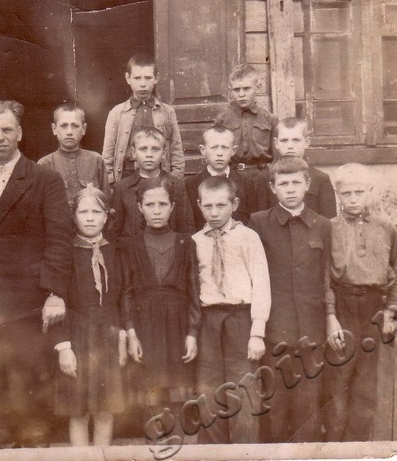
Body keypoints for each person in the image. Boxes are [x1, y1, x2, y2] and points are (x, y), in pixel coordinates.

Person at [0, 100, 73, 448]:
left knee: (29, 385)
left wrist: (55, 293)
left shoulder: (44, 179)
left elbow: (59, 239)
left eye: (7, 130)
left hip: (28, 303)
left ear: (20, 133)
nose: (0, 137)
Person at [248, 157, 331, 443]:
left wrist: (327, 320)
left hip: (312, 329)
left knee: (308, 404)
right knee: (276, 404)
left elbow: (327, 276)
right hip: (275, 328)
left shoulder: (322, 225)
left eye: (297, 182)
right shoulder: (259, 222)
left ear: (308, 184)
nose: (291, 189)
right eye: (283, 184)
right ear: (273, 188)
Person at [324, 163, 397, 441]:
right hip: (342, 305)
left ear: (370, 191)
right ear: (338, 194)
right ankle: (334, 448)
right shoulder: (329, 228)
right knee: (338, 379)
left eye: (359, 192)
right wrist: (330, 316)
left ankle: (356, 447)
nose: (353, 199)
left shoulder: (385, 228)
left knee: (366, 383)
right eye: (346, 193)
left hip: (373, 307)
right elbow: (324, 276)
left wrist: (390, 310)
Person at [191, 176, 270, 443]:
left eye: (221, 205)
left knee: (243, 391)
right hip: (208, 321)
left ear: (234, 204)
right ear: (199, 205)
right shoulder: (195, 241)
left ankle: (246, 453)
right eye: (208, 206)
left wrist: (257, 332)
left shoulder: (248, 237)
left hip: (241, 319)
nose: (214, 212)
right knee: (209, 392)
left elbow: (261, 283)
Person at [119, 177, 201, 432]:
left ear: (172, 207)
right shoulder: (129, 244)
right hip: (145, 325)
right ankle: (154, 445)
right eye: (150, 204)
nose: (156, 210)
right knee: (151, 393)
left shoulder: (186, 242)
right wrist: (132, 333)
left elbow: (194, 291)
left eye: (163, 204)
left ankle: (176, 444)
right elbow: (126, 293)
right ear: (139, 207)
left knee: (178, 393)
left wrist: (192, 333)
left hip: (178, 325)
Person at [52, 187, 125, 446]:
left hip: (108, 337)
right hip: (77, 338)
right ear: (74, 216)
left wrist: (123, 336)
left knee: (105, 411)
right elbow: (56, 302)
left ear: (106, 217)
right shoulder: (64, 253)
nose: (90, 217)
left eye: (97, 212)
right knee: (78, 411)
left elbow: (123, 297)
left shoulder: (116, 250)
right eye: (83, 212)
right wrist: (64, 347)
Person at [102, 53, 184, 185]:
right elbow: (107, 153)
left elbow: (176, 149)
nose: (143, 84)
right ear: (128, 78)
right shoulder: (117, 113)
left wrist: (174, 180)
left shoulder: (167, 111)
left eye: (148, 78)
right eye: (137, 78)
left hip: (159, 178)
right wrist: (111, 182)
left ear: (156, 78)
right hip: (126, 177)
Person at [214, 63, 278, 215]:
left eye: (247, 88)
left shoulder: (270, 119)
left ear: (258, 87)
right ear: (230, 90)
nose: (241, 94)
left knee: (263, 218)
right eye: (237, 89)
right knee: (237, 217)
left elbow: (277, 157)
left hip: (262, 178)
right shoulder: (222, 120)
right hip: (234, 177)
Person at [110, 128, 194, 239]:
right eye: (143, 149)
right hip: (132, 248)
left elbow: (186, 228)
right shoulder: (122, 187)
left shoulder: (177, 185)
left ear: (164, 153)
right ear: (134, 152)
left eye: (155, 149)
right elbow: (115, 230)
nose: (149, 154)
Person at [262, 117, 337, 219]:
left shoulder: (320, 179)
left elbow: (328, 221)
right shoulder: (264, 178)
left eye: (296, 140)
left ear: (307, 142)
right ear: (276, 143)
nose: (290, 146)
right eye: (284, 140)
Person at [38, 104, 110, 206]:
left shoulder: (96, 160)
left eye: (75, 126)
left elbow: (106, 203)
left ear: (84, 129)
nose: (69, 132)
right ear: (54, 129)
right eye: (64, 126)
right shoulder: (44, 164)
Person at [185, 126, 250, 228]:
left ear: (233, 151)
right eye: (214, 147)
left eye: (225, 147)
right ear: (203, 150)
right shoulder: (190, 185)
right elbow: (189, 224)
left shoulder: (247, 183)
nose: (219, 153)